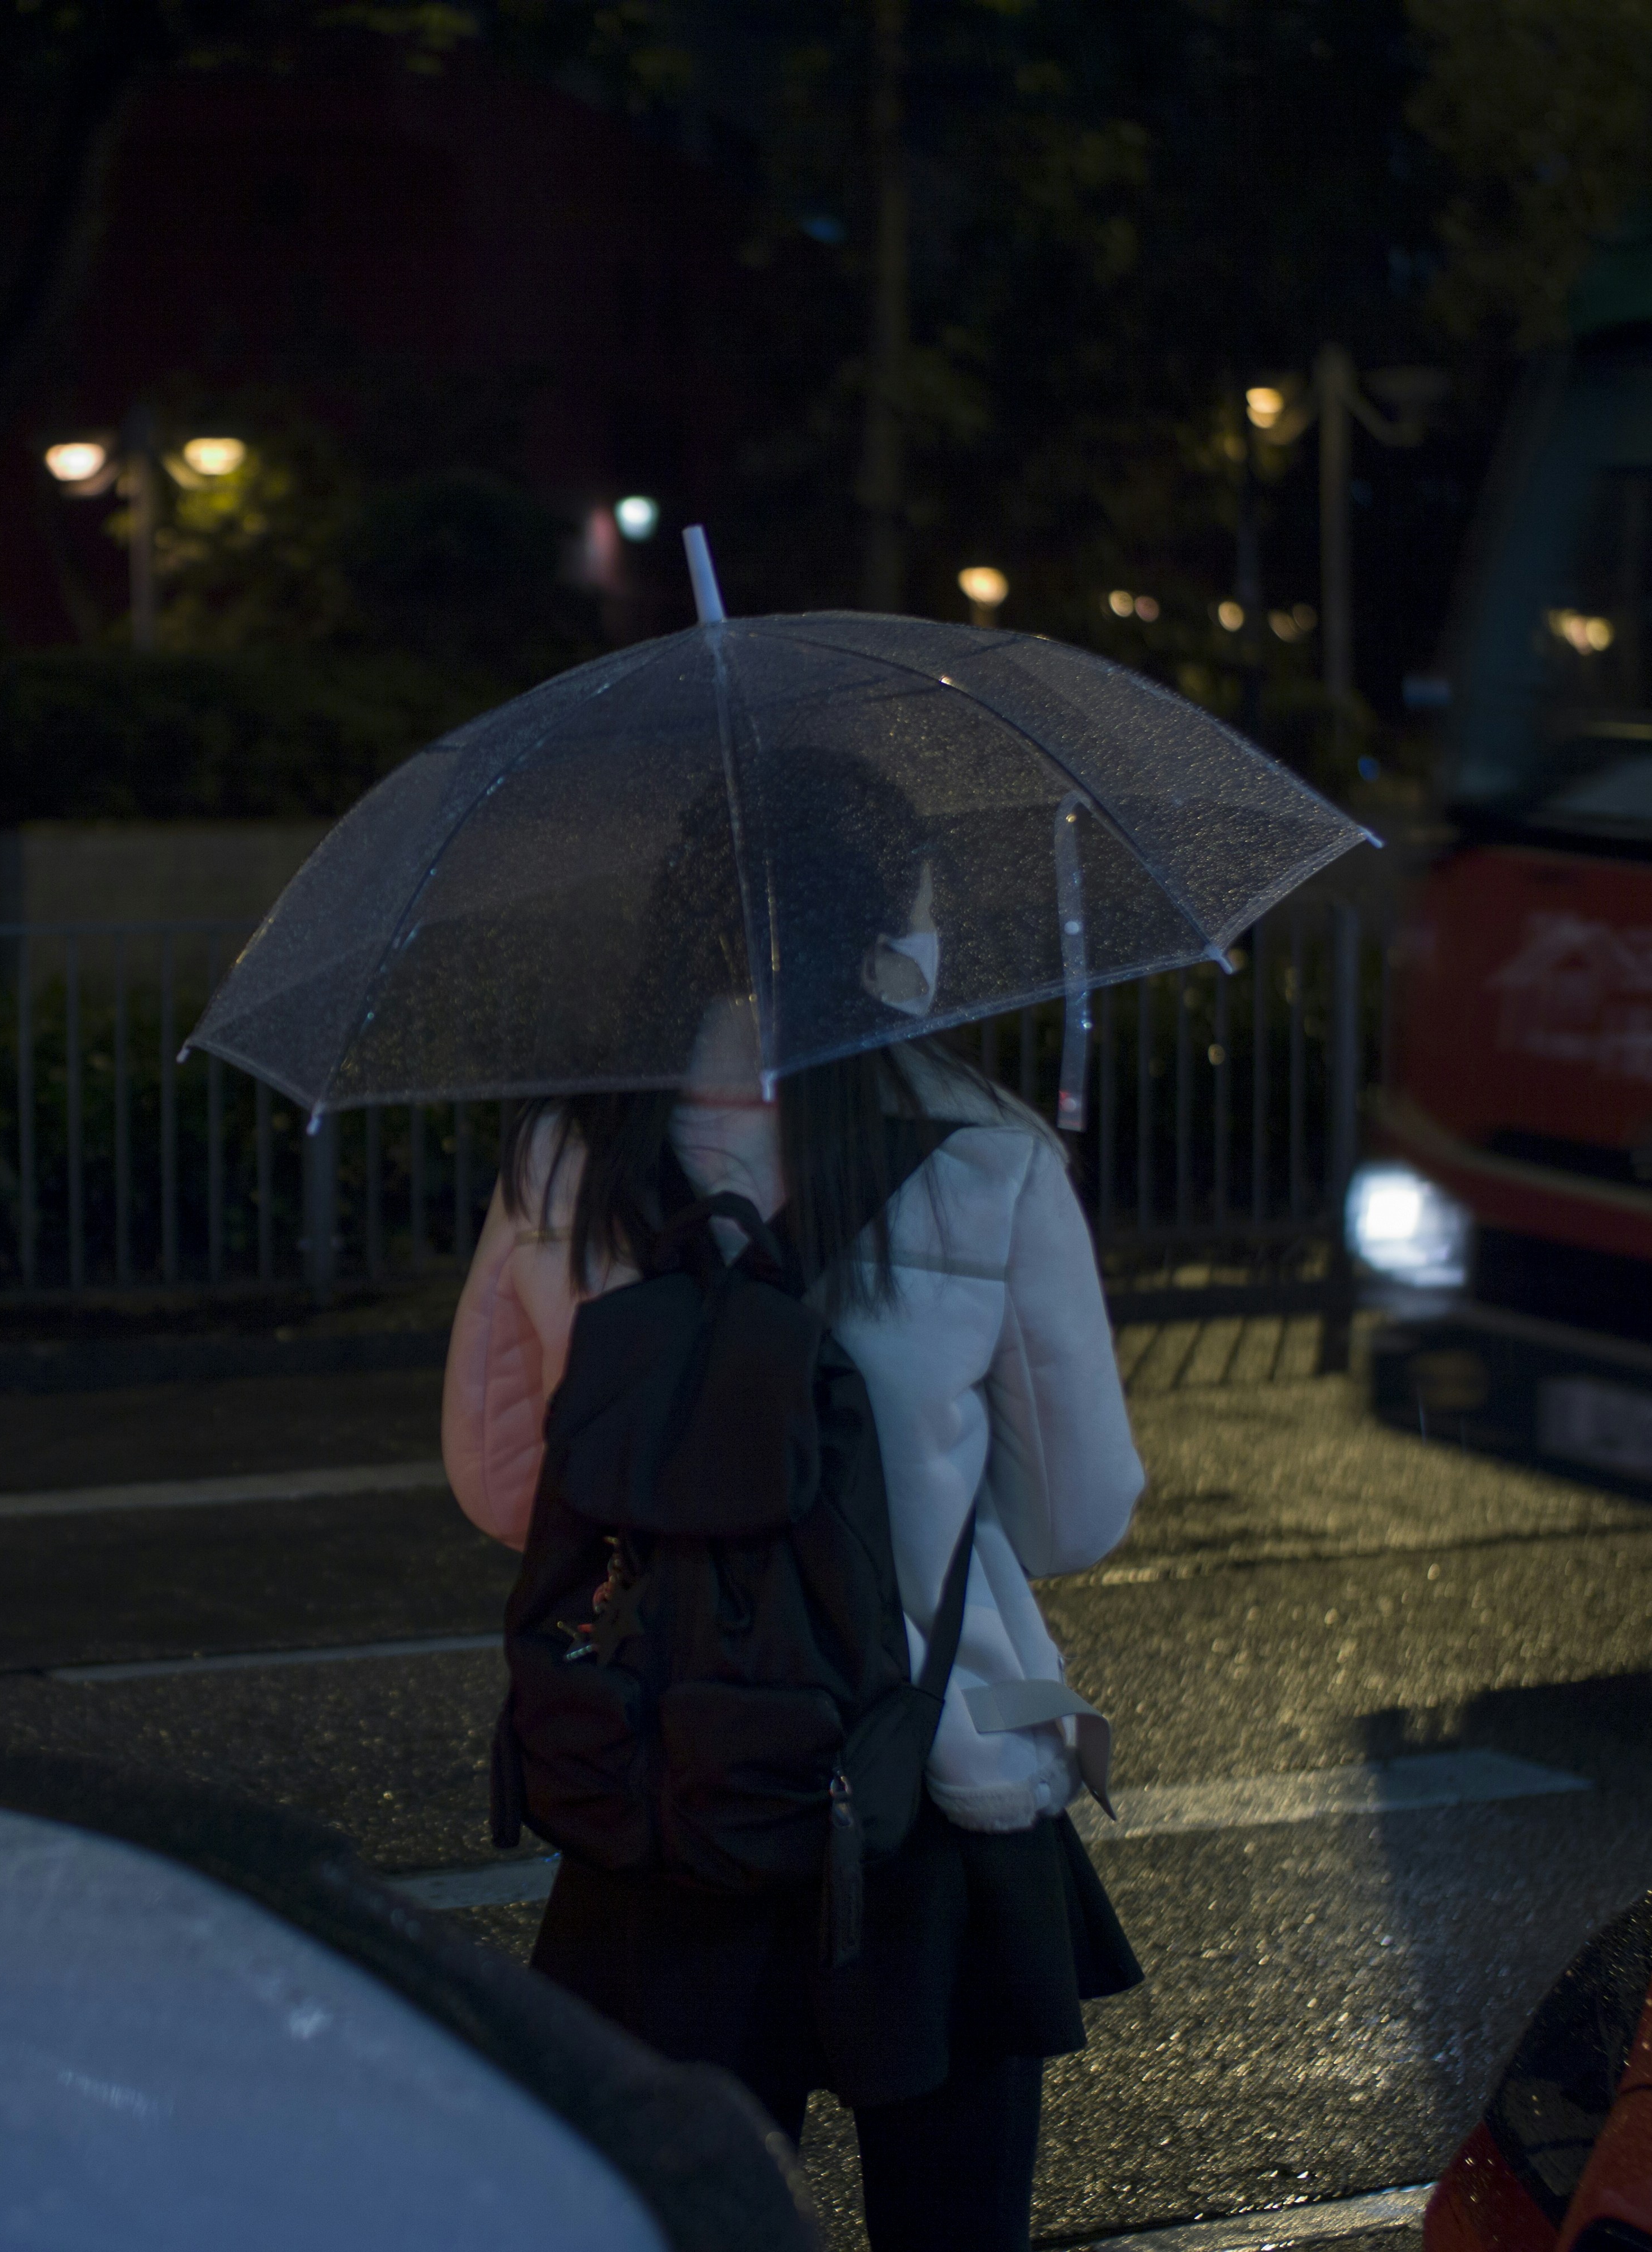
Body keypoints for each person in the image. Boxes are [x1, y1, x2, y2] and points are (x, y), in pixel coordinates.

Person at [440, 854, 1147, 2252]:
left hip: (664, 1779)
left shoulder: (565, 1155)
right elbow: (1077, 1512)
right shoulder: (986, 1149)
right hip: (929, 1787)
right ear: (880, 937)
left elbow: (505, 1483)